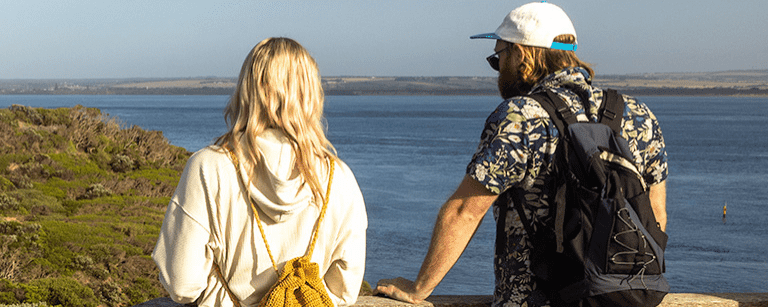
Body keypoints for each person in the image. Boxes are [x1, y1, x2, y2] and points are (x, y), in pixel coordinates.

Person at [376, 3, 670, 307]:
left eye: (498, 57)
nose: (498, 68)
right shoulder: (638, 115)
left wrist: (418, 289)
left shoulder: (521, 117)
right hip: (623, 298)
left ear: (523, 56)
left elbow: (464, 211)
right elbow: (655, 215)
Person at [154, 37, 368, 307]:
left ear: (248, 90)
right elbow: (345, 290)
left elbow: (182, 284)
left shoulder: (209, 168)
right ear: (311, 94)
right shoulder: (339, 178)